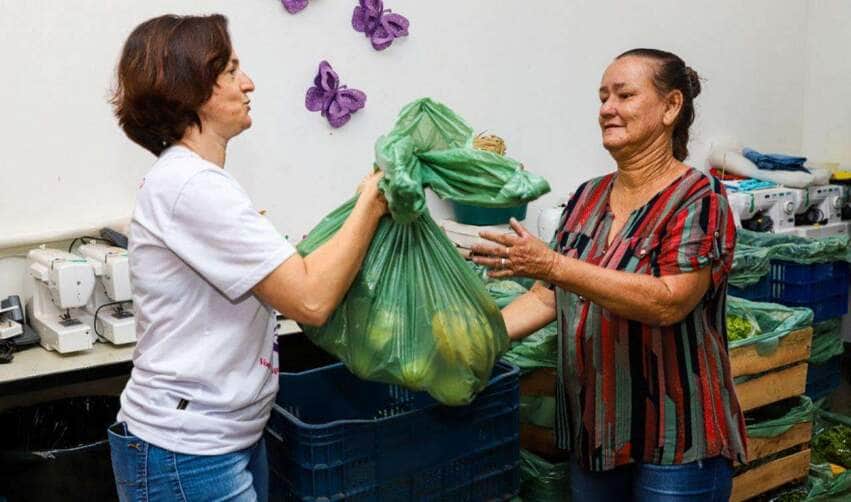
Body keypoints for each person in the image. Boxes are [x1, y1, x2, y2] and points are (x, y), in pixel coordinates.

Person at [107, 14, 387, 501]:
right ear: (193, 87)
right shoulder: (192, 186)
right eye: (232, 71)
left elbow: (293, 279)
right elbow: (311, 299)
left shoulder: (195, 180)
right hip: (188, 454)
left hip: (220, 440)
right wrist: (372, 202)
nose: (248, 83)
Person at [472, 48, 747, 501]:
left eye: (624, 95)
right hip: (596, 434)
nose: (607, 109)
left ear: (671, 107)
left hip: (677, 440)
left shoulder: (699, 197)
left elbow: (669, 300)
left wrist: (553, 264)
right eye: (603, 97)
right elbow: (546, 296)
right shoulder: (587, 197)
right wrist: (474, 341)